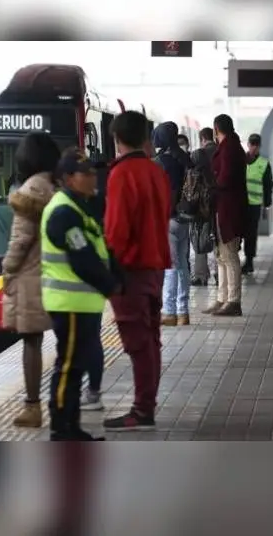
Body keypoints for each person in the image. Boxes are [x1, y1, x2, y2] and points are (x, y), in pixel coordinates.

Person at [41, 147, 121, 441]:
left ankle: (71, 426)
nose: (92, 178)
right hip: (70, 304)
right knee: (68, 367)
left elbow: (101, 250)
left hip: (83, 303)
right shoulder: (63, 212)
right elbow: (82, 257)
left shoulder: (80, 207)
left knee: (75, 368)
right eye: (85, 174)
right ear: (69, 179)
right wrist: (111, 286)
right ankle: (61, 429)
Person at [103, 110, 171, 432]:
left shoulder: (120, 174)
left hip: (130, 269)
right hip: (155, 266)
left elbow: (117, 229)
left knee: (137, 343)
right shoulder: (156, 172)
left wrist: (107, 270)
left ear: (116, 139)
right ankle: (147, 406)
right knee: (151, 339)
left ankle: (142, 410)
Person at [2, 131, 62, 428]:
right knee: (68, 341)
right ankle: (67, 399)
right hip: (57, 275)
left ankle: (32, 406)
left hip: (31, 278)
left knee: (32, 343)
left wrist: (7, 271)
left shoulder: (29, 191)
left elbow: (20, 240)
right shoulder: (56, 186)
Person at [205, 114, 247, 317]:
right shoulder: (230, 146)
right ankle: (222, 298)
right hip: (224, 207)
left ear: (216, 129)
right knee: (221, 255)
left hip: (229, 209)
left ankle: (233, 301)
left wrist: (213, 184)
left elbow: (226, 177)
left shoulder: (229, 148)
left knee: (229, 255)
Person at [153, 122, 194, 326]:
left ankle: (169, 312)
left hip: (167, 219)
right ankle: (183, 311)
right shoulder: (186, 158)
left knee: (170, 266)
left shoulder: (159, 161)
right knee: (183, 265)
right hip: (185, 218)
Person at [242, 133, 273, 275]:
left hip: (254, 205)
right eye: (251, 144)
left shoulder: (264, 163)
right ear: (248, 144)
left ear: (259, 146)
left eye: (256, 145)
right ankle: (237, 260)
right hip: (239, 203)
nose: (254, 147)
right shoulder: (240, 160)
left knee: (250, 234)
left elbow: (268, 185)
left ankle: (249, 262)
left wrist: (267, 204)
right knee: (238, 233)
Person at [191, 127, 218, 286]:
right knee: (218, 239)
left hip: (201, 204)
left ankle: (201, 275)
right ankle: (219, 274)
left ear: (202, 138)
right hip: (218, 202)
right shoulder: (220, 152)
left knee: (200, 237)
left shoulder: (198, 154)